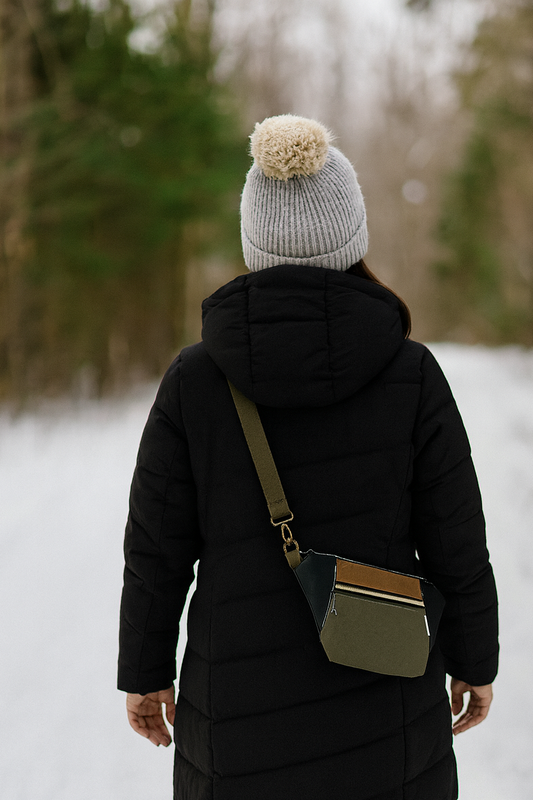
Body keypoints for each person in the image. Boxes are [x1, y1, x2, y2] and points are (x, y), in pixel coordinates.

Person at [118, 115, 498, 800]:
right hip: (386, 718)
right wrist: (473, 659)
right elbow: (455, 537)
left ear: (253, 242)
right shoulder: (410, 374)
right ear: (352, 235)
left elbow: (155, 547)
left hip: (235, 724)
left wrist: (144, 668)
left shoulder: (194, 381)